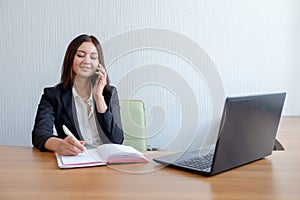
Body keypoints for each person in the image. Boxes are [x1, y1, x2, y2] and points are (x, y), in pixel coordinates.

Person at [32, 34, 124, 156]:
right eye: (80, 55)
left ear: (99, 64)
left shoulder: (109, 93)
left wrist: (98, 97)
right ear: (70, 59)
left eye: (93, 57)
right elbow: (39, 134)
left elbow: (117, 140)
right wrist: (60, 145)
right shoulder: (52, 95)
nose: (87, 61)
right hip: (75, 159)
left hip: (106, 161)